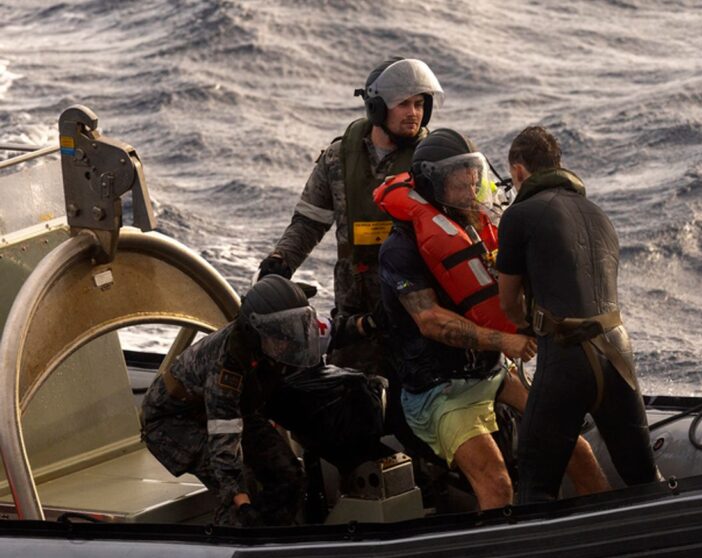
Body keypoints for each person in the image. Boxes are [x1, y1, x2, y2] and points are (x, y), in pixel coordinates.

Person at [376, 128, 609, 510]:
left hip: (492, 373)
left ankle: (605, 530)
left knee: (576, 448)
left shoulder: (476, 228)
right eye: (459, 181)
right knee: (497, 483)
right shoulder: (399, 249)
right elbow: (430, 321)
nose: (472, 188)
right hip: (438, 389)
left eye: (474, 176)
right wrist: (505, 341)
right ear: (433, 184)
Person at [496, 126, 659, 504]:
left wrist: (526, 328)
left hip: (567, 357)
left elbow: (507, 301)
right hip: (618, 352)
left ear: (519, 172)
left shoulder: (520, 215)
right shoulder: (598, 214)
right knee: (643, 477)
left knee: (536, 487)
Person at [257, 58, 444, 374]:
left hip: (416, 312)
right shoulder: (337, 158)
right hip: (354, 319)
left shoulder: (436, 163)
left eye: (419, 103)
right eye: (404, 104)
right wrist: (280, 262)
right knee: (350, 405)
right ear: (377, 107)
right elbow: (309, 222)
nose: (414, 113)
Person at [141, 275, 321, 526]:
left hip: (233, 412)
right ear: (255, 330)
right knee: (240, 491)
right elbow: (223, 434)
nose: (285, 342)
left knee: (288, 475)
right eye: (278, 334)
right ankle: (230, 546)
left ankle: (276, 539)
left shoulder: (270, 346)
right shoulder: (226, 366)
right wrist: (240, 498)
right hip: (174, 424)